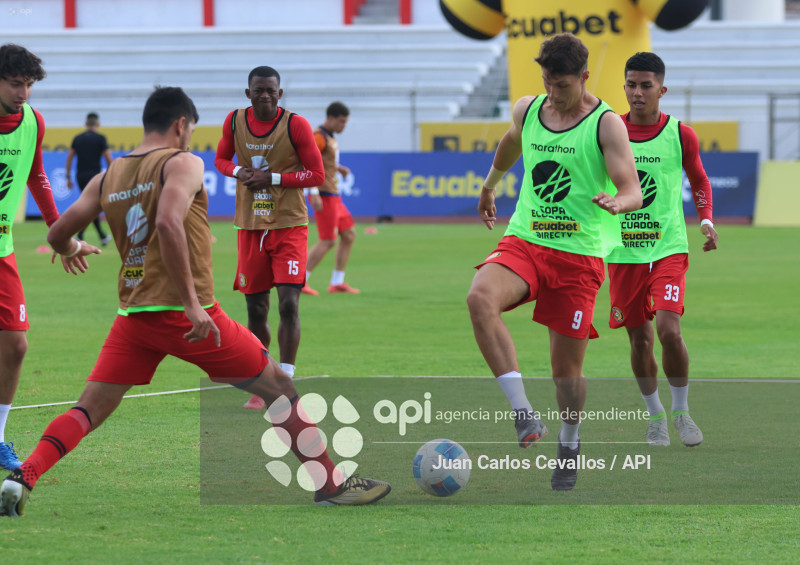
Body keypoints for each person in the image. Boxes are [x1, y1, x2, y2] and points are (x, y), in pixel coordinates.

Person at [0, 87, 391, 517]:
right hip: (191, 317)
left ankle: (24, 476)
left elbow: (56, 235)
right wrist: (191, 304)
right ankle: (331, 484)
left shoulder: (108, 176)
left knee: (89, 408)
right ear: (181, 125)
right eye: (191, 130)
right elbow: (168, 221)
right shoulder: (182, 162)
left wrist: (73, 248)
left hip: (133, 316)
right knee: (279, 387)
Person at [465, 33, 642, 491]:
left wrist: (620, 203)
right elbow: (511, 142)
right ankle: (523, 412)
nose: (552, 91)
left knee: (566, 375)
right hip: (526, 239)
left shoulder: (605, 125)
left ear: (583, 77)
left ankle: (570, 438)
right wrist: (490, 186)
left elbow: (633, 188)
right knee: (479, 298)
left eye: (560, 84)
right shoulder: (529, 108)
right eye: (546, 80)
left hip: (578, 257)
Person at [606, 52, 718, 448]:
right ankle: (655, 416)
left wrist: (705, 217)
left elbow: (700, 178)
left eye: (646, 85)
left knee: (669, 330)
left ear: (661, 89)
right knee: (640, 341)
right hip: (623, 252)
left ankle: (682, 412)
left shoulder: (680, 134)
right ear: (624, 87)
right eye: (631, 85)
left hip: (668, 246)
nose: (637, 93)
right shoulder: (608, 130)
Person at [215, 66, 324, 411]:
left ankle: (285, 381)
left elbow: (316, 174)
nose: (265, 95)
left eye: (271, 90)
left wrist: (272, 177)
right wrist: (238, 171)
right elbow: (220, 159)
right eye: (258, 90)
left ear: (280, 94)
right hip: (250, 226)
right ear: (248, 93)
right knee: (255, 308)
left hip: (289, 224)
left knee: (289, 304)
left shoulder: (296, 125)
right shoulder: (234, 121)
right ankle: (263, 382)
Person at [0, 44, 66, 472]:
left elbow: (38, 176)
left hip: (2, 249)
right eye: (15, 83)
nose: (24, 93)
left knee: (16, 345)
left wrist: (61, 232)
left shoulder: (33, 122)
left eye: (29, 85)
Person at [302, 101, 360, 295]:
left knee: (349, 234)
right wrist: (313, 192)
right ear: (331, 118)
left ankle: (337, 282)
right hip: (324, 193)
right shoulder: (319, 136)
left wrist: (338, 167)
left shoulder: (329, 137)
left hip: (333, 194)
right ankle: (300, 281)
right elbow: (306, 161)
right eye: (342, 121)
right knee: (327, 240)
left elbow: (324, 161)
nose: (343, 126)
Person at [65, 112, 113, 244]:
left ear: (86, 124)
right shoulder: (100, 138)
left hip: (80, 176)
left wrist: (68, 176)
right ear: (98, 124)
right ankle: (85, 235)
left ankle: (97, 236)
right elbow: (109, 159)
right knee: (93, 206)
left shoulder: (78, 138)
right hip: (95, 177)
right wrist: (113, 175)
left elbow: (69, 158)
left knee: (90, 205)